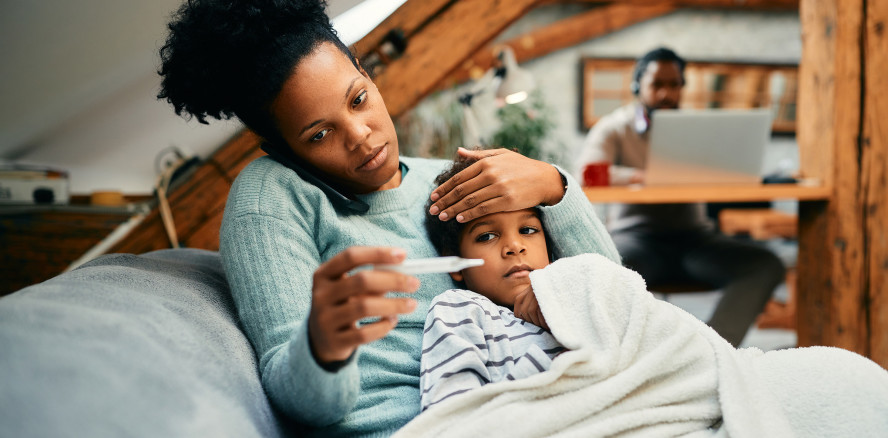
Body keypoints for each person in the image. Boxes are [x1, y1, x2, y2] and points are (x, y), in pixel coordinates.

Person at [156, 1, 619, 436]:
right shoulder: (273, 196)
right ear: (280, 147)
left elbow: (617, 305)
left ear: (368, 75)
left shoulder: (445, 182)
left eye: (358, 100)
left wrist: (554, 187)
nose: (360, 136)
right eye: (319, 134)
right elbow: (301, 397)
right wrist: (322, 346)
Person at [574, 47, 785, 347]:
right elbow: (588, 174)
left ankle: (709, 349)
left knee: (766, 265)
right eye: (657, 85)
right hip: (636, 241)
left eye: (674, 85)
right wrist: (643, 177)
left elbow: (729, 170)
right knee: (603, 270)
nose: (666, 94)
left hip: (696, 242)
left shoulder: (699, 129)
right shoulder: (614, 128)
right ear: (637, 87)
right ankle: (626, 355)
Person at [420, 157, 566, 411]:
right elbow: (449, 416)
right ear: (455, 261)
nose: (514, 246)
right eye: (487, 236)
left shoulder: (572, 292)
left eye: (528, 230)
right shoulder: (461, 310)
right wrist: (560, 368)